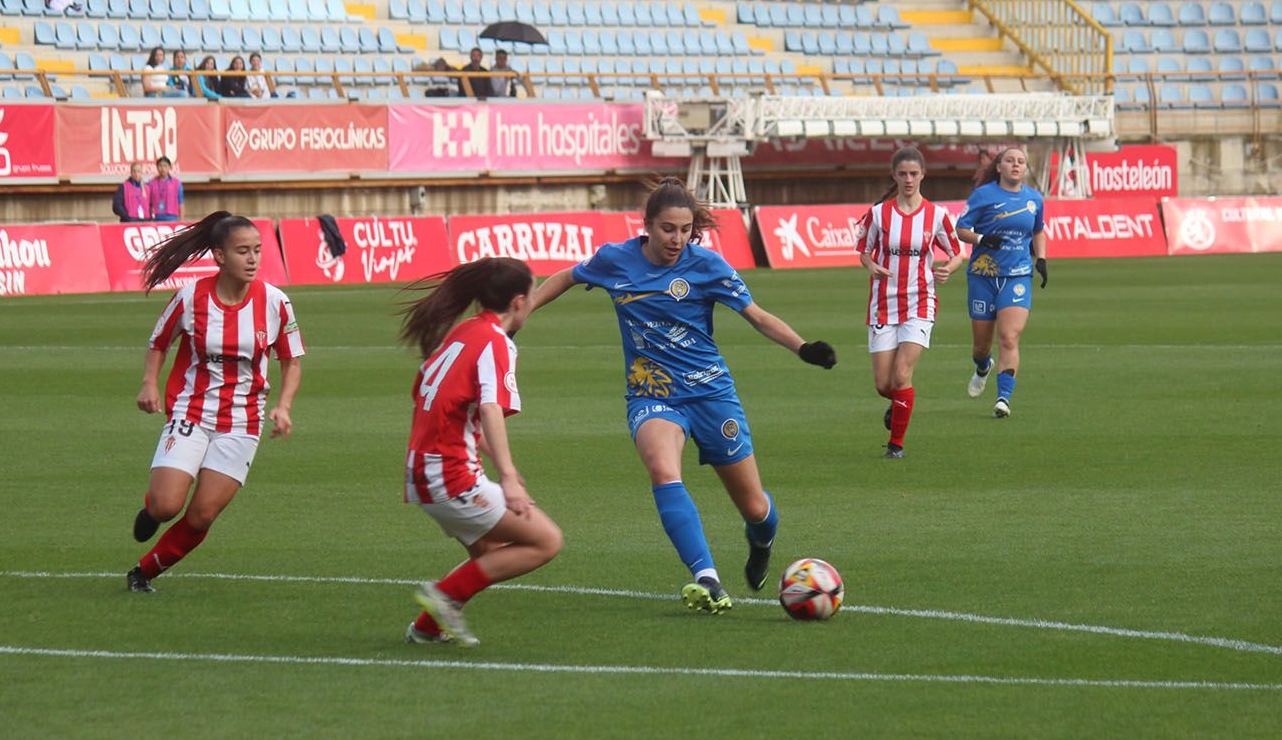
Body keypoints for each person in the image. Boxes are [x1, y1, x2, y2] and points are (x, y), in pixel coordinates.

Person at [530, 178, 837, 612]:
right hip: (652, 394)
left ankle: (762, 539)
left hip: (712, 394)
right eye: (668, 229)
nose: (677, 239)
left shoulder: (707, 266)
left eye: (686, 229)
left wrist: (803, 348)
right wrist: (521, 313)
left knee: (753, 506)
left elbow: (758, 316)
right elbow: (566, 276)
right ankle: (707, 577)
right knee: (661, 467)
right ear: (647, 226)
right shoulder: (615, 261)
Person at [125, 212, 304, 593]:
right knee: (166, 506)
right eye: (243, 251)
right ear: (220, 256)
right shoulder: (191, 297)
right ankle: (152, 508)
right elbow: (159, 343)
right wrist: (149, 384)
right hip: (191, 411)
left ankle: (143, 572)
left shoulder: (276, 302)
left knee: (203, 513)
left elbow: (292, 361)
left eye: (257, 250)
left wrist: (284, 406)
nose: (253, 259)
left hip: (243, 421)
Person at [398, 257, 563, 646]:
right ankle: (443, 597)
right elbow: (489, 407)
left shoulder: (465, 332)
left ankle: (426, 628)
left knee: (489, 553)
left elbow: (435, 396)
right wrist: (507, 477)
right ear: (519, 302)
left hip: (421, 471)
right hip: (451, 475)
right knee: (546, 541)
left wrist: (495, 460)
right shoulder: (496, 343)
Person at [855, 147, 969, 459]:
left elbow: (957, 252)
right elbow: (864, 250)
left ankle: (896, 445)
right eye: (902, 173)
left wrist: (949, 268)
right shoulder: (879, 214)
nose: (908, 179)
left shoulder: (937, 215)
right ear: (894, 175)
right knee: (884, 384)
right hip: (883, 302)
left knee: (902, 375)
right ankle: (900, 402)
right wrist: (870, 265)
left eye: (914, 174)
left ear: (923, 175)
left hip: (920, 301)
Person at [955, 146, 1046, 418]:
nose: (1016, 165)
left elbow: (1039, 230)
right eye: (1010, 161)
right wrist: (982, 239)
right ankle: (983, 366)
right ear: (999, 166)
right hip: (983, 276)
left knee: (1009, 337)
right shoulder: (983, 195)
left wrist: (1041, 258)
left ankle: (1003, 398)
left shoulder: (1034, 199)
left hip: (1017, 275)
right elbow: (961, 229)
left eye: (1021, 161)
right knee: (981, 346)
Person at [145, 156, 183, 222]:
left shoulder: (177, 183)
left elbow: (181, 202)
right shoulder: (151, 183)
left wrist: (181, 220)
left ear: (169, 167)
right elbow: (147, 202)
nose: (162, 168)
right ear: (157, 167)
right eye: (160, 166)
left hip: (172, 218)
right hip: (155, 218)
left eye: (165, 166)